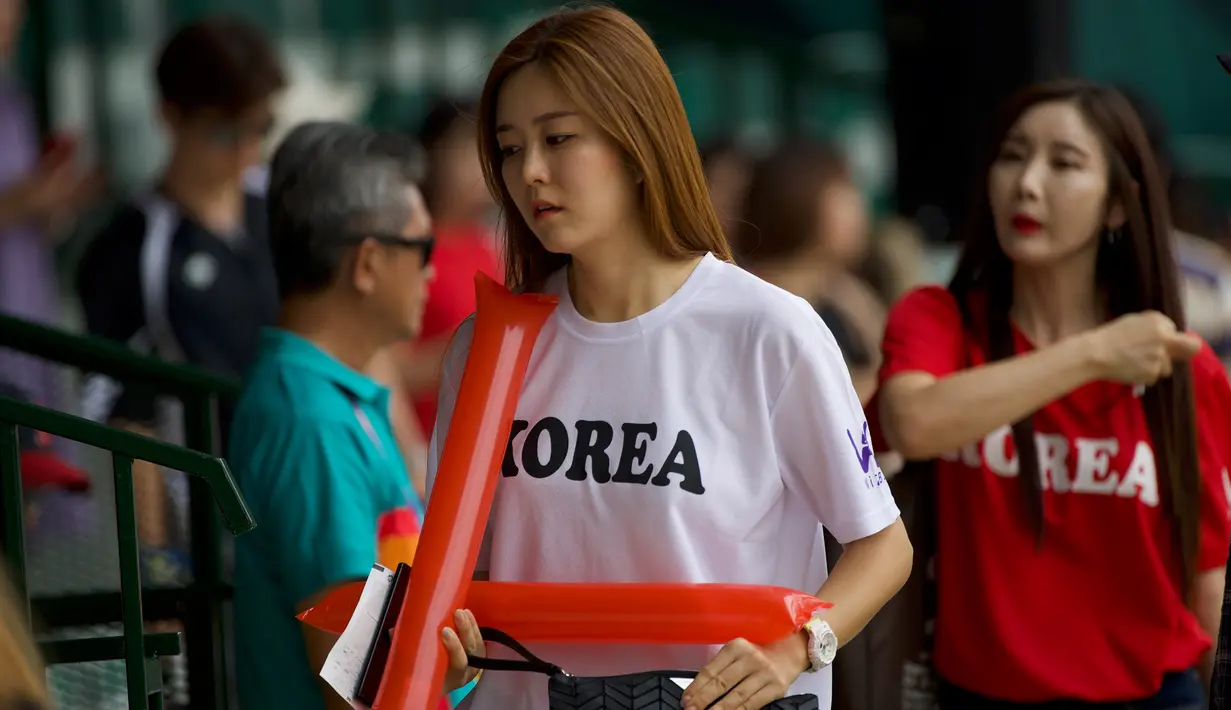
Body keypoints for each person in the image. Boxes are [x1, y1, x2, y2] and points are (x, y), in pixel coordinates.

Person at [430, 7, 912, 710]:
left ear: (635, 141)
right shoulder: (486, 348)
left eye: (558, 138)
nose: (529, 172)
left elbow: (881, 546)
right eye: (507, 148)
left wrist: (798, 646)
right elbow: (462, 583)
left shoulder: (766, 331)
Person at [870, 80, 1231, 708]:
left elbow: (1208, 575)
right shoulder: (939, 321)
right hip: (977, 695)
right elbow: (913, 422)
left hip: (1152, 695)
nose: (1027, 182)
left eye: (1064, 163)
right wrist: (1092, 355)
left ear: (1120, 205)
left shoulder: (1178, 369)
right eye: (1012, 156)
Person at [227, 122, 434, 710]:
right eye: (423, 250)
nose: (432, 273)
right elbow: (354, 682)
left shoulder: (329, 401)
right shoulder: (311, 423)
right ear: (367, 264)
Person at [75, 14, 285, 580]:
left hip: (305, 494)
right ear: (170, 117)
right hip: (214, 533)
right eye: (224, 132)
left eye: (259, 127)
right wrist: (156, 564)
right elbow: (127, 421)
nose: (245, 149)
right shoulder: (130, 248)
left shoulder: (284, 208)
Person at [734, 137, 886, 403]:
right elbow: (821, 402)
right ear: (800, 199)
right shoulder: (762, 302)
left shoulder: (841, 291)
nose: (860, 206)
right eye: (845, 190)